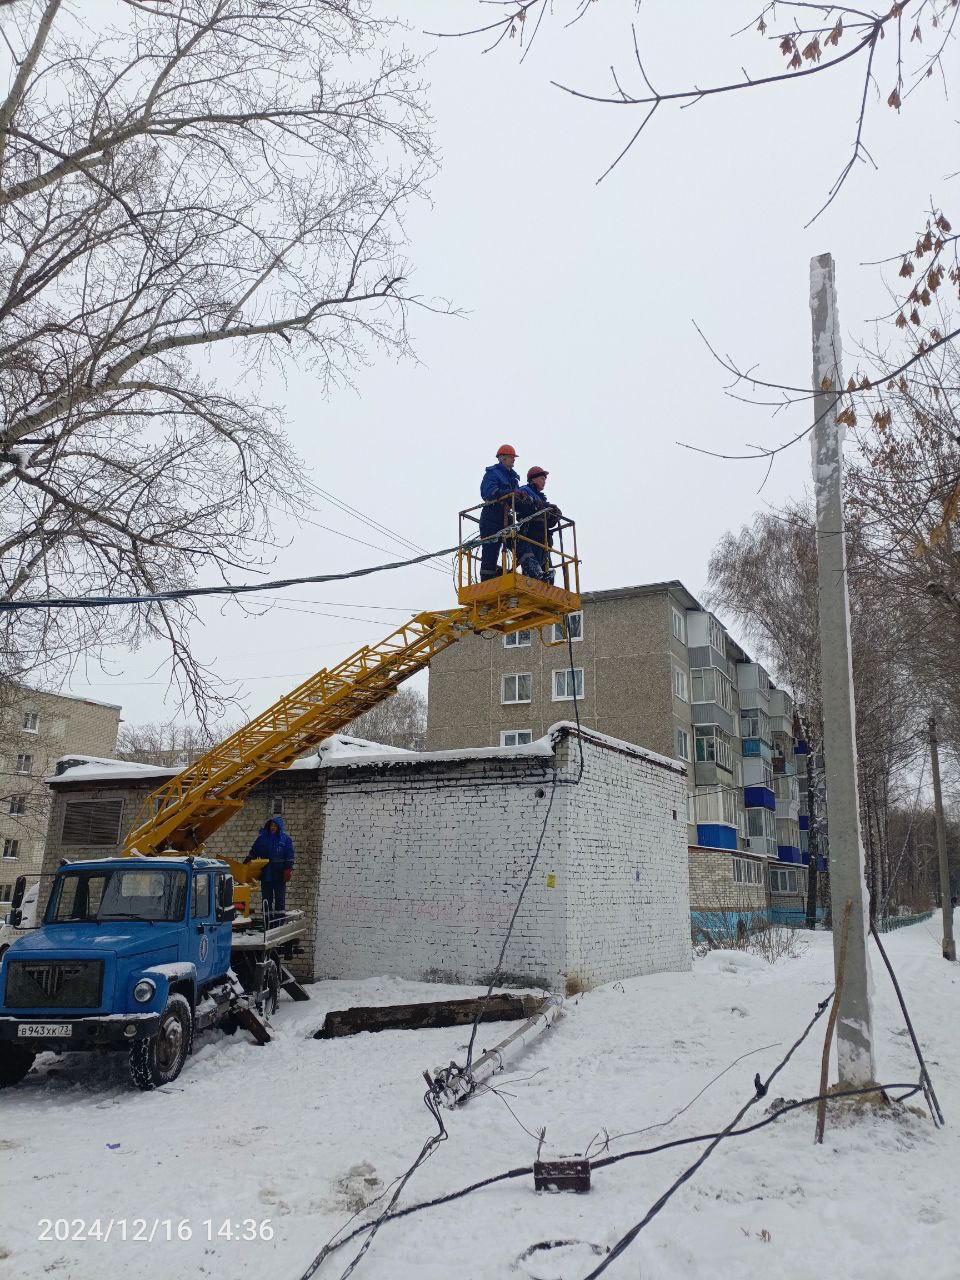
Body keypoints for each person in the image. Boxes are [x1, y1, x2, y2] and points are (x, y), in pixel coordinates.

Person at [479, 445, 521, 580]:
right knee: (490, 550)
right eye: (511, 457)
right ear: (502, 458)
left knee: (518, 545)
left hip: (506, 517)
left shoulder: (513, 479)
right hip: (491, 516)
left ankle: (510, 573)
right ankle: (487, 580)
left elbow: (517, 498)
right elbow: (488, 492)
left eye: (514, 458)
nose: (514, 460)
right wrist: (506, 494)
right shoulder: (493, 473)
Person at [245, 815, 295, 923]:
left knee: (279, 900)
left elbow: (290, 855)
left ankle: (279, 923)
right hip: (266, 873)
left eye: (275, 826)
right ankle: (266, 922)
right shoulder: (262, 838)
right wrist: (248, 859)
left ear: (279, 827)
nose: (273, 827)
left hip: (279, 874)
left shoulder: (285, 840)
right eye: (271, 825)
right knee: (266, 899)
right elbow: (254, 850)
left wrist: (288, 869)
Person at [517, 465, 560, 583]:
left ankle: (547, 582)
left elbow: (549, 521)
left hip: (542, 538)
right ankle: (536, 577)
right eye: (542, 479)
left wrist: (554, 514)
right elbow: (527, 506)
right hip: (530, 533)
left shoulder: (542, 498)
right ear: (533, 479)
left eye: (545, 479)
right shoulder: (525, 490)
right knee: (531, 564)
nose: (544, 482)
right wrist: (544, 507)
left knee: (546, 569)